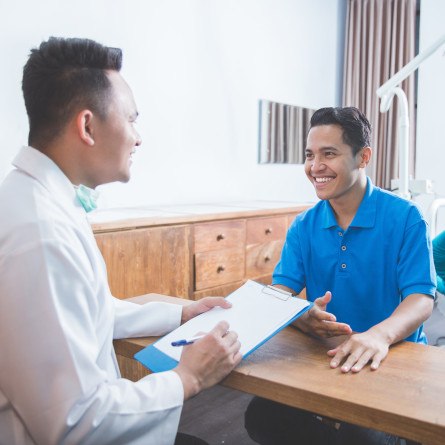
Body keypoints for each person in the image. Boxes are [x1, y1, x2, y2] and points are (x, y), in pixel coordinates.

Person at [0, 37, 242, 445]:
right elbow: (75, 421)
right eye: (131, 119)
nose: (138, 137)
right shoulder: (41, 235)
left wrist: (179, 316)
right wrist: (186, 377)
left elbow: (87, 312)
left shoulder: (39, 202)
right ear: (88, 126)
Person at [244, 106, 436, 445]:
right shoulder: (304, 225)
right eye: (310, 155)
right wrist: (300, 314)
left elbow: (421, 298)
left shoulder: (405, 217)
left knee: (365, 436)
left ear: (363, 157)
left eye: (328, 154)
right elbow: (280, 290)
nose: (315, 167)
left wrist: (378, 336)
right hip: (326, 357)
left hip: (391, 359)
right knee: (261, 418)